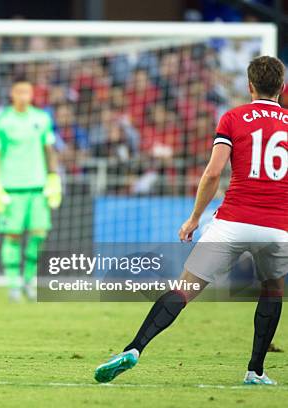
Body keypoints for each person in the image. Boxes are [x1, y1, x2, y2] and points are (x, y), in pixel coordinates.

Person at [94, 56, 288, 385]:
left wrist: (194, 218)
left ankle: (134, 348)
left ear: (249, 86)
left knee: (184, 288)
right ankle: (255, 370)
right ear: (282, 88)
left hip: (233, 220)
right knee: (272, 289)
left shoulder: (233, 117)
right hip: (277, 227)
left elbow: (213, 173)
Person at [0, 77, 62, 302]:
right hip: (11, 188)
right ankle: (13, 285)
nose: (23, 96)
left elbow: (49, 149)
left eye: (27, 92)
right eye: (19, 91)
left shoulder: (41, 118)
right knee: (12, 236)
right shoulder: (2, 121)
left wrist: (53, 177)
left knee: (38, 235)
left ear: (32, 94)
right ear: (12, 93)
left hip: (38, 187)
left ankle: (29, 281)